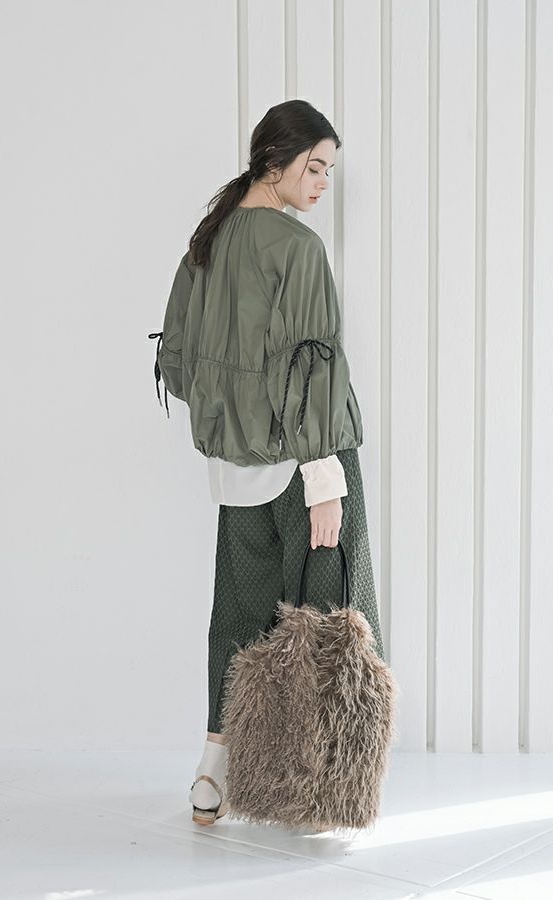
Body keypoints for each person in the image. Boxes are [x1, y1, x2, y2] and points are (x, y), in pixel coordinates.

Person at [148, 99, 385, 826]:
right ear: (275, 162)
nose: (322, 184)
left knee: (239, 614)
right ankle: (321, 792)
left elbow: (176, 361)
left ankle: (212, 778)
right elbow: (313, 369)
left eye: (329, 171)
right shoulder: (296, 248)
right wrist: (324, 479)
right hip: (307, 462)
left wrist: (233, 415)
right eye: (314, 167)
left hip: (235, 469)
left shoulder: (207, 242)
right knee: (329, 615)